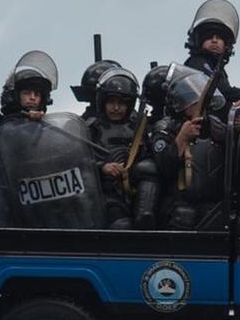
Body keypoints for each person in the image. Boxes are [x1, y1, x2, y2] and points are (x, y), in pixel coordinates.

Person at [131, 67, 228, 230]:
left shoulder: (212, 124)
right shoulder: (165, 127)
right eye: (192, 98)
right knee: (184, 215)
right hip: (176, 202)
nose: (198, 101)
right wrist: (182, 138)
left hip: (208, 200)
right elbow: (165, 167)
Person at [181, 0, 240, 123]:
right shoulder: (198, 62)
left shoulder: (217, 67)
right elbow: (218, 89)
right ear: (199, 41)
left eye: (219, 37)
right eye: (209, 37)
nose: (214, 40)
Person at [86, 66, 140, 228]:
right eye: (111, 102)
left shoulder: (138, 129)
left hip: (135, 192)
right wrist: (102, 167)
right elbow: (79, 160)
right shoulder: (91, 129)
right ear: (102, 102)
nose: (116, 108)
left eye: (122, 103)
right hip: (104, 194)